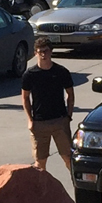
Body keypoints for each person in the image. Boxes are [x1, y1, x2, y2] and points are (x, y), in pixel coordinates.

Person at [20, 39, 76, 172]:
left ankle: (78, 189)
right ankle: (41, 192)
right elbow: (25, 98)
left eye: (46, 51)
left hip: (60, 121)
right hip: (39, 123)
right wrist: (30, 120)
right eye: (40, 52)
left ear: (51, 52)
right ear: (35, 53)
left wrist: (68, 115)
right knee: (40, 163)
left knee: (68, 158)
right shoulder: (29, 75)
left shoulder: (62, 72)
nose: (43, 54)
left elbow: (70, 94)